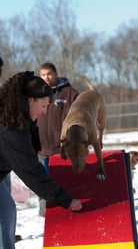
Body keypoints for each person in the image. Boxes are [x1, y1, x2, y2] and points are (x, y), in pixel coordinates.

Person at [0, 71, 82, 249]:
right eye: (44, 106)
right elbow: (29, 169)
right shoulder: (9, 125)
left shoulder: (19, 115)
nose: (45, 112)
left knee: (6, 212)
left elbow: (31, 149)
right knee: (3, 216)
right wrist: (64, 199)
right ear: (31, 100)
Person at [37, 62, 79, 215]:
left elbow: (77, 118)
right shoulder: (36, 93)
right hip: (40, 147)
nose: (46, 78)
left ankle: (66, 212)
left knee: (64, 181)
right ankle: (45, 214)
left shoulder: (69, 92)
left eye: (49, 74)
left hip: (62, 147)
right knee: (41, 182)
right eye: (43, 75)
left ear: (55, 74)